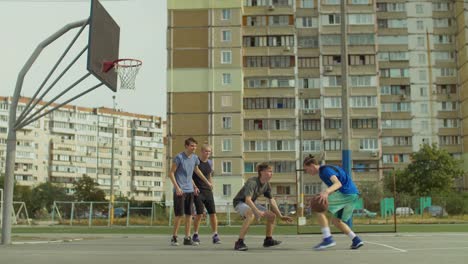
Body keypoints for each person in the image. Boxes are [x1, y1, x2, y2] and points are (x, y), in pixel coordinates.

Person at [302, 155, 364, 250]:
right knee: (336, 221)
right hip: (353, 194)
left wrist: (326, 192)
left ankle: (328, 239)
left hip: (345, 193)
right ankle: (356, 240)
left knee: (319, 208)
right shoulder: (327, 169)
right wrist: (325, 193)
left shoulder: (324, 170)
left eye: (306, 169)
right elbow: (336, 186)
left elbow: (338, 184)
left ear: (312, 166)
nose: (307, 172)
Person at [232, 163, 293, 251]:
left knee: (272, 216)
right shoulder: (252, 182)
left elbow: (272, 200)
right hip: (239, 202)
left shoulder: (267, 185)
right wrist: (256, 211)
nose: (272, 173)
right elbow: (247, 200)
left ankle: (268, 240)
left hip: (250, 202)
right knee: (250, 214)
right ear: (262, 172)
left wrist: (281, 216)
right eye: (269, 171)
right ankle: (239, 242)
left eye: (272, 172)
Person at [168, 137, 212, 246]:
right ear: (186, 146)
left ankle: (187, 238)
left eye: (195, 146)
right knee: (179, 215)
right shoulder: (179, 158)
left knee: (189, 215)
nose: (194, 148)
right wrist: (177, 187)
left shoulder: (195, 158)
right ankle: (174, 237)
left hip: (190, 190)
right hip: (180, 191)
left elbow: (196, 171)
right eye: (192, 146)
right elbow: (171, 173)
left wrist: (204, 183)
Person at [192, 144, 221, 244]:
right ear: (201, 151)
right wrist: (194, 187)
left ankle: (215, 235)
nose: (208, 153)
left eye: (209, 152)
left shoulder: (209, 162)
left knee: (213, 213)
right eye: (206, 151)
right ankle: (195, 235)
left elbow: (209, 175)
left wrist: (211, 184)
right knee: (199, 214)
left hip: (207, 191)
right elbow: (190, 176)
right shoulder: (196, 161)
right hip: (198, 191)